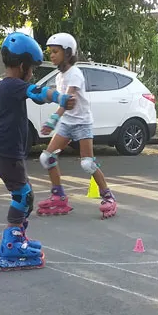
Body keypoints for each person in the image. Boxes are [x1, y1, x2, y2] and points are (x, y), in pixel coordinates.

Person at [0, 32, 75, 270]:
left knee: (25, 195)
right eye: (32, 69)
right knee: (23, 196)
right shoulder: (15, 85)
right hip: (7, 151)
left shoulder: (0, 89)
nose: (31, 75)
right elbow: (37, 93)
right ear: (22, 66)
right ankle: (12, 245)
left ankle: (18, 238)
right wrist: (60, 98)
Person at [37, 32, 118, 219]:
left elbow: (69, 100)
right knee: (46, 157)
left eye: (55, 51)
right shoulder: (59, 76)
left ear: (67, 53)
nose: (51, 55)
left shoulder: (75, 74)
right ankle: (58, 197)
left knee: (88, 163)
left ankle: (108, 197)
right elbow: (62, 101)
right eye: (50, 51)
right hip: (67, 122)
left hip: (82, 123)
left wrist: (52, 120)